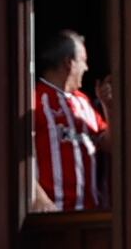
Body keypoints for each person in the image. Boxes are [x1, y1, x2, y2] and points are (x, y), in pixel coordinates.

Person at [29, 28, 107, 215]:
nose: (86, 68)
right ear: (68, 63)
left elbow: (110, 144)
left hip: (90, 215)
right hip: (54, 215)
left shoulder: (84, 102)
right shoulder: (35, 100)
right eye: (83, 61)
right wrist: (39, 198)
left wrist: (109, 107)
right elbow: (16, 156)